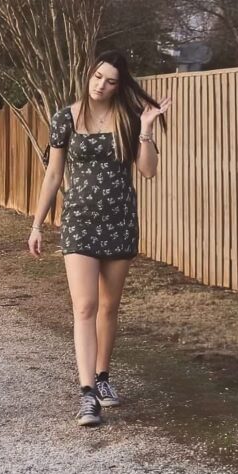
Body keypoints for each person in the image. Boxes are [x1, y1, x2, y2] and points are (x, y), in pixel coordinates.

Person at [27, 50, 170, 426]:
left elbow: (148, 170)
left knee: (108, 307)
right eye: (97, 77)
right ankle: (87, 393)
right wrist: (37, 224)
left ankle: (103, 376)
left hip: (119, 221)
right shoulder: (65, 118)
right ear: (88, 74)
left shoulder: (128, 119)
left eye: (110, 81)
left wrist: (146, 129)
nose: (101, 85)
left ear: (119, 86)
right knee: (85, 307)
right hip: (79, 222)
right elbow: (53, 175)